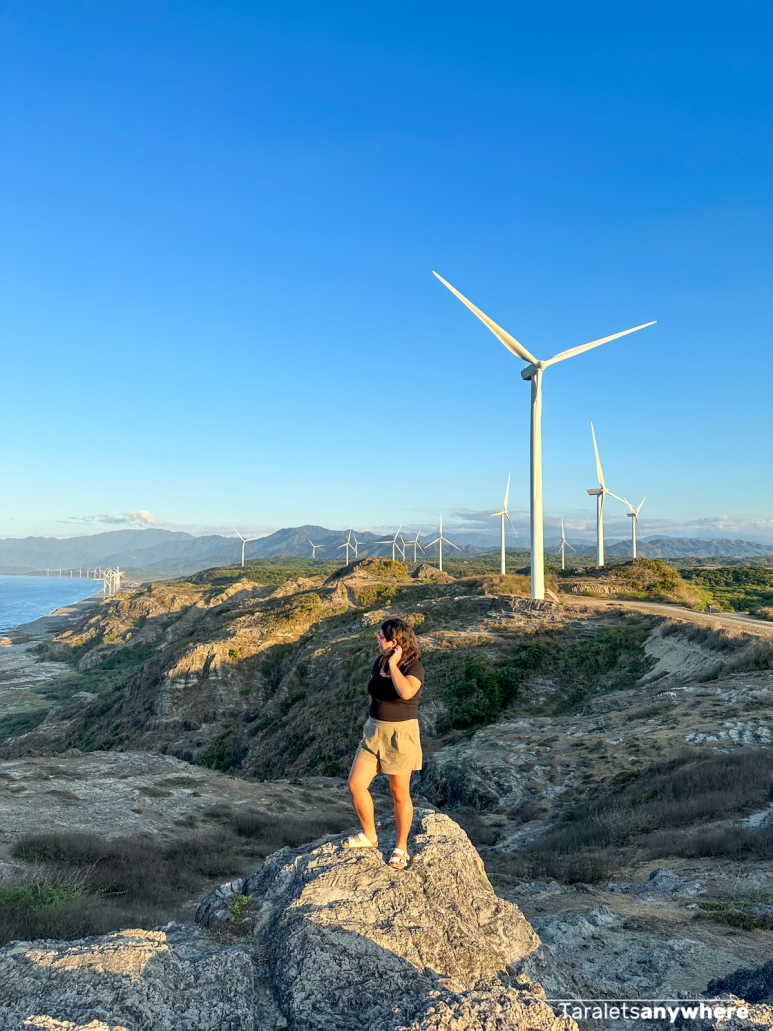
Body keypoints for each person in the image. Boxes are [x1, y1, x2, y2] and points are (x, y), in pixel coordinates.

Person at [342, 617, 424, 870]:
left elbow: (406, 692)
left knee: (399, 793)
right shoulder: (378, 662)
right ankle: (369, 834)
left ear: (395, 642)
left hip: (399, 736)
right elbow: (373, 691)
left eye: (381, 637)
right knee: (356, 784)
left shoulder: (414, 667)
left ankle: (401, 847)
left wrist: (393, 664)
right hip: (374, 732)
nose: (377, 640)